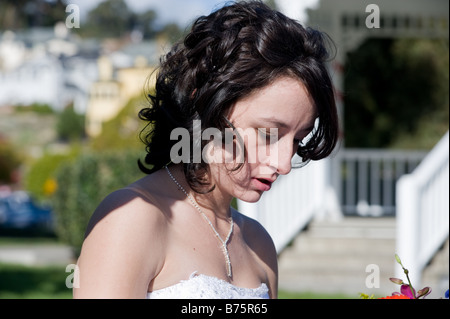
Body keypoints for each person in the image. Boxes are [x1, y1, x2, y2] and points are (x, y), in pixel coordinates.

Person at [73, 0, 339, 299]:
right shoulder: (131, 219)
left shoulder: (258, 242)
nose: (284, 163)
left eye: (298, 139)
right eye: (267, 134)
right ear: (205, 102)